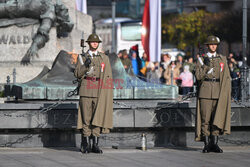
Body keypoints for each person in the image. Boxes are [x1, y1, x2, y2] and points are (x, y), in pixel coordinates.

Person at [74, 33, 113, 154]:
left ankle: (95, 144)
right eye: (92, 42)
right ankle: (85, 143)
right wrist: (85, 66)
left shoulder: (104, 58)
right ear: (88, 43)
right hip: (86, 89)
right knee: (86, 118)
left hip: (99, 90)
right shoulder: (82, 57)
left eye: (96, 42)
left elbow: (108, 76)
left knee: (98, 117)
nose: (95, 43)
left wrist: (107, 92)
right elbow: (77, 74)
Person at [195, 35, 231, 153]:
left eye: (215, 44)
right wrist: (205, 66)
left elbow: (226, 77)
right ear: (207, 46)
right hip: (205, 92)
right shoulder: (201, 59)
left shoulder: (222, 59)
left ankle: (214, 144)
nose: (213, 46)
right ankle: (206, 144)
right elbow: (198, 77)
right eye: (211, 44)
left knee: (217, 118)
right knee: (205, 119)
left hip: (218, 91)